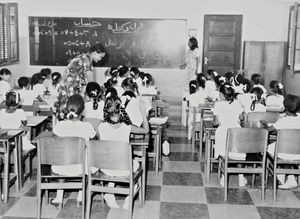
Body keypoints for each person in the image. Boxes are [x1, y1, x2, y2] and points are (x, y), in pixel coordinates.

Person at [97, 95, 149, 209]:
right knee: (135, 163)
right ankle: (129, 196)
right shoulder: (127, 127)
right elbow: (146, 130)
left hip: (105, 168)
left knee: (112, 159)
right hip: (125, 169)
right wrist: (143, 112)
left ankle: (109, 193)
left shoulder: (100, 127)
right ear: (121, 110)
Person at [51, 94, 96, 207]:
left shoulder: (59, 126)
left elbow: (54, 143)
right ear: (83, 111)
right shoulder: (87, 126)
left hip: (60, 166)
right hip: (81, 167)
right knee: (87, 157)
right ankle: (80, 198)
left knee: (62, 157)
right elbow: (94, 143)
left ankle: (58, 198)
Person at [55, 43, 106, 120]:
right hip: (70, 88)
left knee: (69, 111)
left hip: (67, 87)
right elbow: (91, 84)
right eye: (100, 56)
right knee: (74, 108)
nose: (100, 59)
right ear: (95, 53)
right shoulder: (87, 60)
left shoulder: (83, 57)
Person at [261, 94, 300, 189]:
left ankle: (286, 177)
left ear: (285, 107)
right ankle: (282, 175)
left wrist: (265, 124)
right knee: (284, 147)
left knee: (267, 148)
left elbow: (268, 130)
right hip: (298, 152)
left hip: (284, 152)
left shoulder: (283, 121)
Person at [211, 83, 246, 187]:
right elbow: (242, 118)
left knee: (223, 153)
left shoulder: (218, 104)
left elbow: (216, 123)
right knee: (239, 153)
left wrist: (215, 114)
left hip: (223, 131)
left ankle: (223, 177)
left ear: (222, 94)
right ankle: (241, 177)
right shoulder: (237, 103)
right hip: (236, 131)